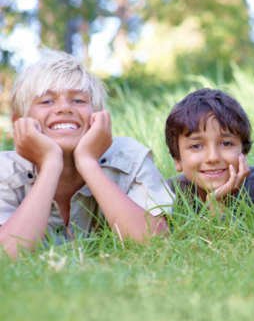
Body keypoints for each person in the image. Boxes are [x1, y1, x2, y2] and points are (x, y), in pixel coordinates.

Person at [0, 50, 173, 258]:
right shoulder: (5, 171)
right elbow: (7, 256)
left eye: (78, 101)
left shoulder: (130, 157)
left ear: (97, 116)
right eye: (47, 101)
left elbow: (156, 244)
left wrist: (88, 162)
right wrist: (50, 164)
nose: (64, 108)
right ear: (19, 121)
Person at [165, 88, 254, 214]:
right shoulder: (169, 194)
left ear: (243, 152)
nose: (213, 157)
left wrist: (217, 205)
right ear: (177, 159)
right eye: (196, 146)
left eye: (226, 143)